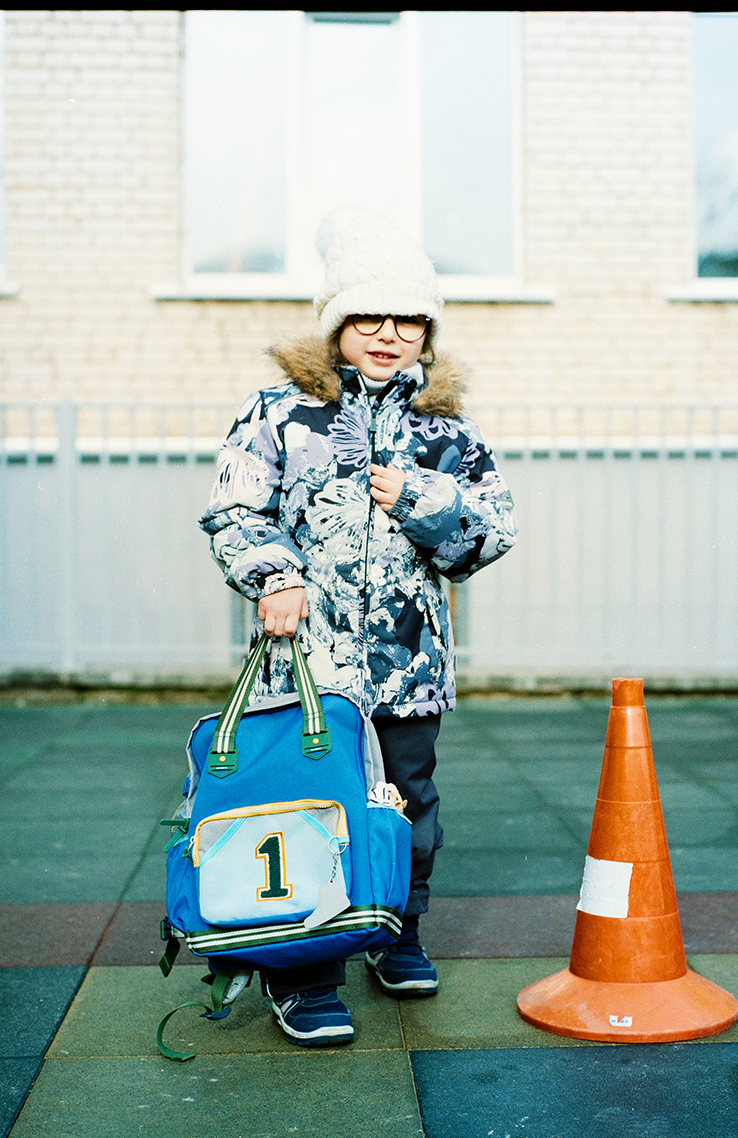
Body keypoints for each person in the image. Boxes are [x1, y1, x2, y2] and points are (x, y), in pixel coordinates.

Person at [197, 208, 518, 1047]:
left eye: (408, 319)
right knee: (307, 809)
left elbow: (488, 535)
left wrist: (421, 499)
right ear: (337, 323)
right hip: (308, 670)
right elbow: (234, 509)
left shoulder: (448, 431)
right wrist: (275, 574)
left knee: (410, 807)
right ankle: (303, 975)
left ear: (427, 332)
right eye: (368, 316)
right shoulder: (279, 413)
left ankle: (396, 933)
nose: (388, 335)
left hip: (409, 667)